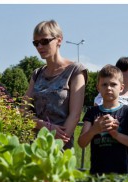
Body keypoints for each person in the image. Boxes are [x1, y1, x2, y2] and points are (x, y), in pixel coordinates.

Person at [24, 20, 87, 149]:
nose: (40, 47)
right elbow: (23, 111)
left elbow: (75, 115)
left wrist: (56, 146)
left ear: (59, 40)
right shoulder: (37, 74)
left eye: (45, 41)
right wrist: (44, 125)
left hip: (60, 146)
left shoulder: (75, 70)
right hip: (34, 146)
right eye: (36, 43)